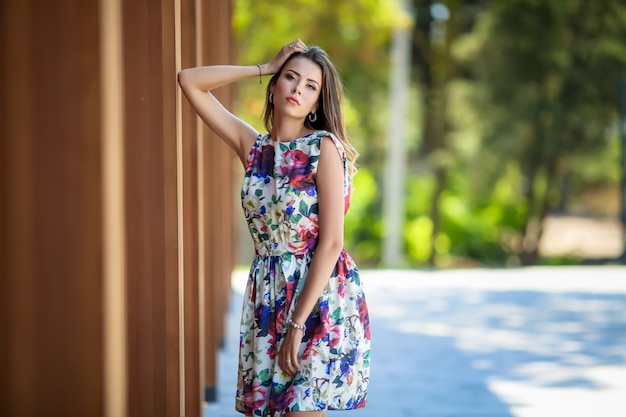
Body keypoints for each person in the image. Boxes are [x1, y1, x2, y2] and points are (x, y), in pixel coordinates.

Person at [178, 39, 370, 417]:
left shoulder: (324, 148)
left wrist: (298, 325)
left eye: (310, 86)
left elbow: (331, 243)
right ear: (274, 87)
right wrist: (263, 66)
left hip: (318, 298)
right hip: (267, 293)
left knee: (302, 410)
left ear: (317, 103)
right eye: (290, 77)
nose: (298, 89)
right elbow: (189, 81)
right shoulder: (253, 147)